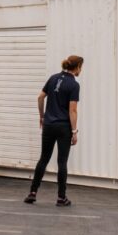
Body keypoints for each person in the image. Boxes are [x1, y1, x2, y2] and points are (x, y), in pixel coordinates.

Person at [24, 55, 83, 207]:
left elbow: (40, 97)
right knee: (62, 162)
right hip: (64, 127)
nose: (81, 70)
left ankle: (32, 192)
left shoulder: (53, 78)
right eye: (81, 67)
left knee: (43, 159)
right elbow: (73, 110)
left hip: (49, 125)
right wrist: (74, 131)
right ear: (77, 67)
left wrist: (42, 116)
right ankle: (61, 198)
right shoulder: (74, 85)